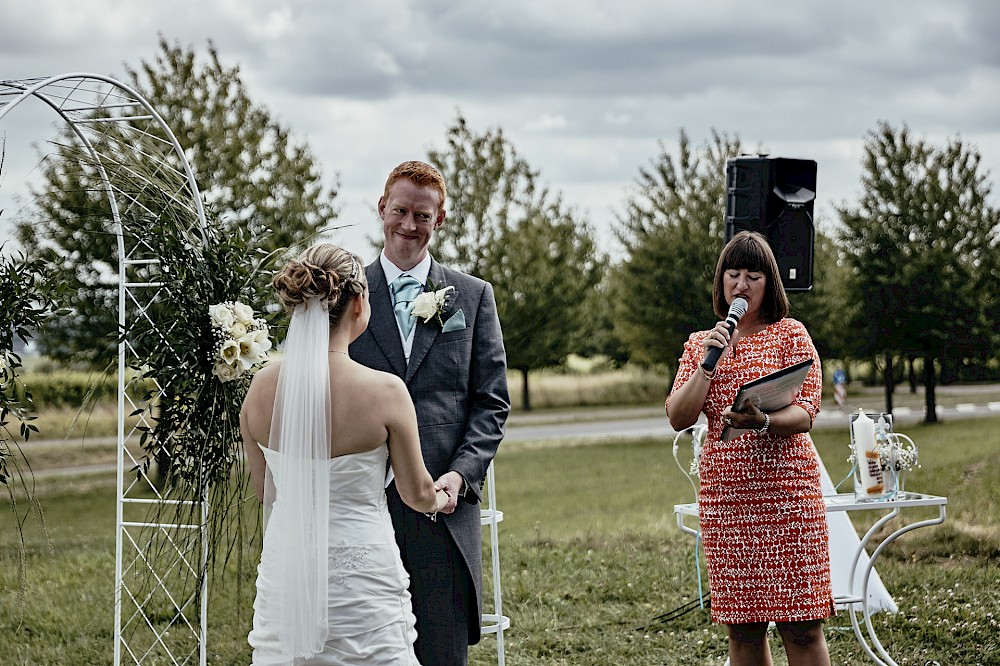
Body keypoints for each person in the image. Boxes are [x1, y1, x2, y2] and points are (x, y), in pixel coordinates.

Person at [240, 243, 451, 665]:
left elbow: (266, 492)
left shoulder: (259, 388)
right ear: (358, 303)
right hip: (362, 580)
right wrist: (443, 498)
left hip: (288, 573)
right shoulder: (385, 391)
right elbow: (415, 493)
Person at [349, 160, 510, 666]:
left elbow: (491, 403)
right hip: (362, 506)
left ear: (439, 220)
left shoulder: (473, 295)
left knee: (442, 653)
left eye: (423, 215)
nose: (409, 226)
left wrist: (460, 477)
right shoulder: (344, 296)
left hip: (442, 510)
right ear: (382, 209)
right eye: (400, 211)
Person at [666, 231, 833, 666]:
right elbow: (679, 415)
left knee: (801, 626)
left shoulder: (790, 334)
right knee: (742, 628)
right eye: (733, 274)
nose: (741, 284)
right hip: (729, 501)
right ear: (721, 282)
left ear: (769, 283)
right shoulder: (701, 343)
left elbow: (807, 412)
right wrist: (710, 362)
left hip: (787, 498)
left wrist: (764, 421)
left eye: (753, 275)